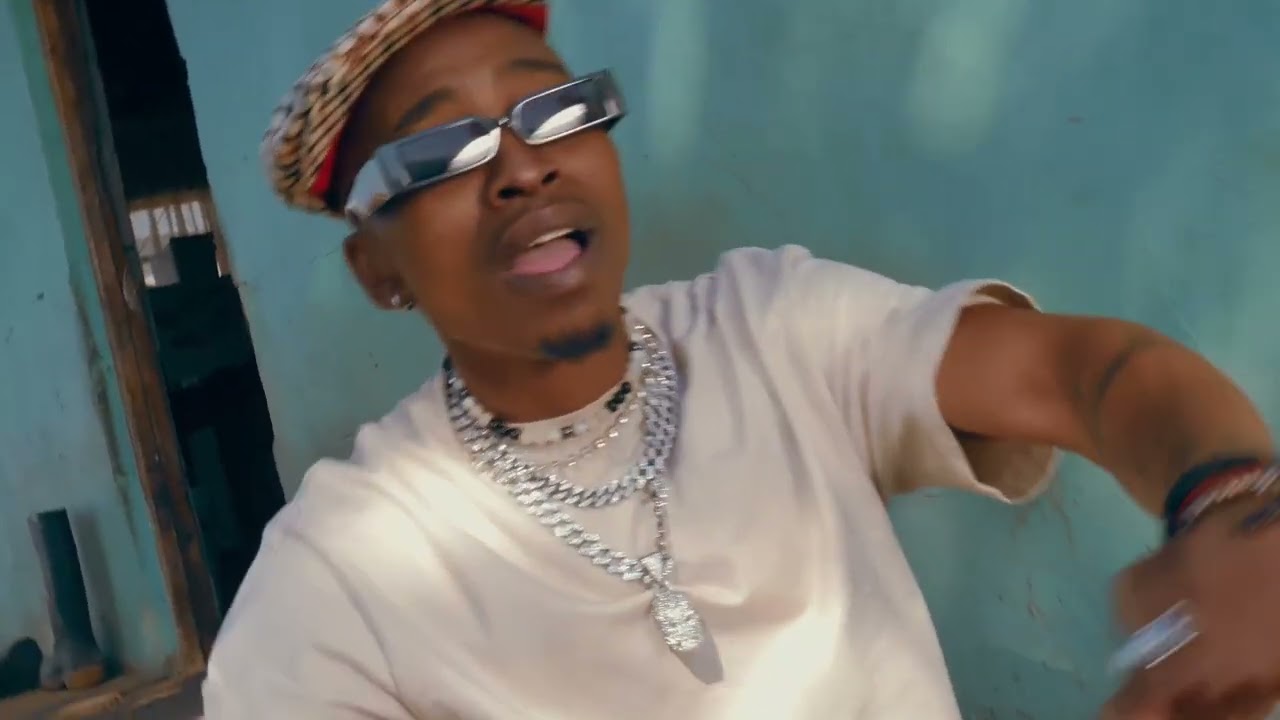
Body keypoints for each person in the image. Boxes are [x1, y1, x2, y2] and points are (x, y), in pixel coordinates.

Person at [201, 1, 1280, 717]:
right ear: (376, 269)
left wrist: (1233, 509)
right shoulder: (341, 577)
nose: (523, 166)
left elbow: (1084, 374)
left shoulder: (769, 329)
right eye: (440, 151)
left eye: (557, 108)